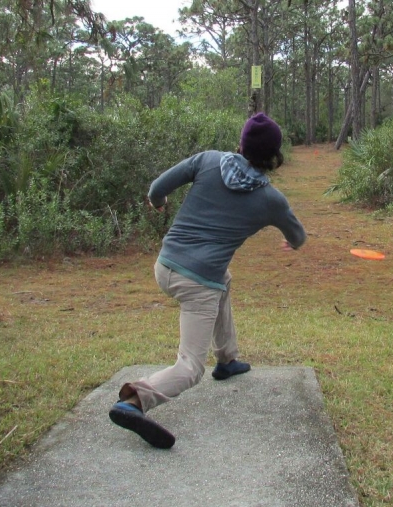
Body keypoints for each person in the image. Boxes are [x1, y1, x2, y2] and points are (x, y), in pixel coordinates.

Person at [108, 112, 307, 449]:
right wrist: (291, 241)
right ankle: (134, 401)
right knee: (190, 368)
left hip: (165, 265)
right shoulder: (271, 200)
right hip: (197, 284)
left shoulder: (208, 160)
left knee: (223, 281)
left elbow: (157, 189)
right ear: (274, 156)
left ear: (241, 144)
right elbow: (298, 236)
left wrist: (159, 204)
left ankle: (228, 360)